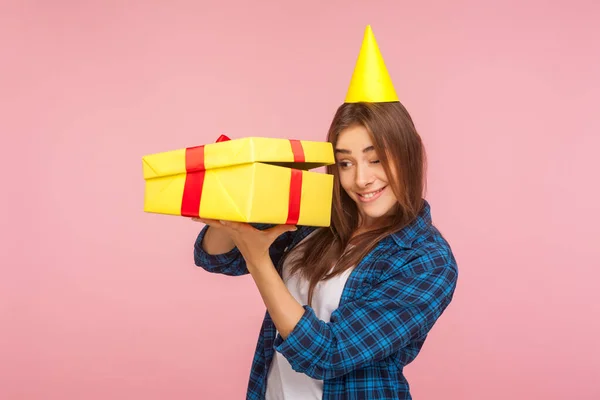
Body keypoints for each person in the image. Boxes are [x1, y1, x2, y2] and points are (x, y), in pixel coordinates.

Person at [192, 25, 458, 400]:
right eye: (345, 163)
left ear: (409, 154)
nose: (361, 180)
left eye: (376, 159)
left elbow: (328, 352)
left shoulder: (426, 260)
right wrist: (229, 204)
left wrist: (258, 260)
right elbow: (217, 258)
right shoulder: (317, 218)